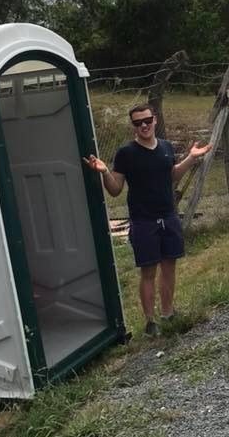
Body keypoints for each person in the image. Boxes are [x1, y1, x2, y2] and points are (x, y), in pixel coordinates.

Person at [83, 103, 211, 336]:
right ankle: (150, 322)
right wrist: (104, 172)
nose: (144, 125)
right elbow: (115, 190)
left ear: (154, 120)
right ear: (133, 126)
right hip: (143, 221)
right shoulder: (126, 153)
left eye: (147, 120)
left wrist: (191, 158)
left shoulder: (165, 146)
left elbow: (172, 176)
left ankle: (168, 312)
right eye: (138, 122)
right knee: (148, 271)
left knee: (169, 266)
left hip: (168, 216)